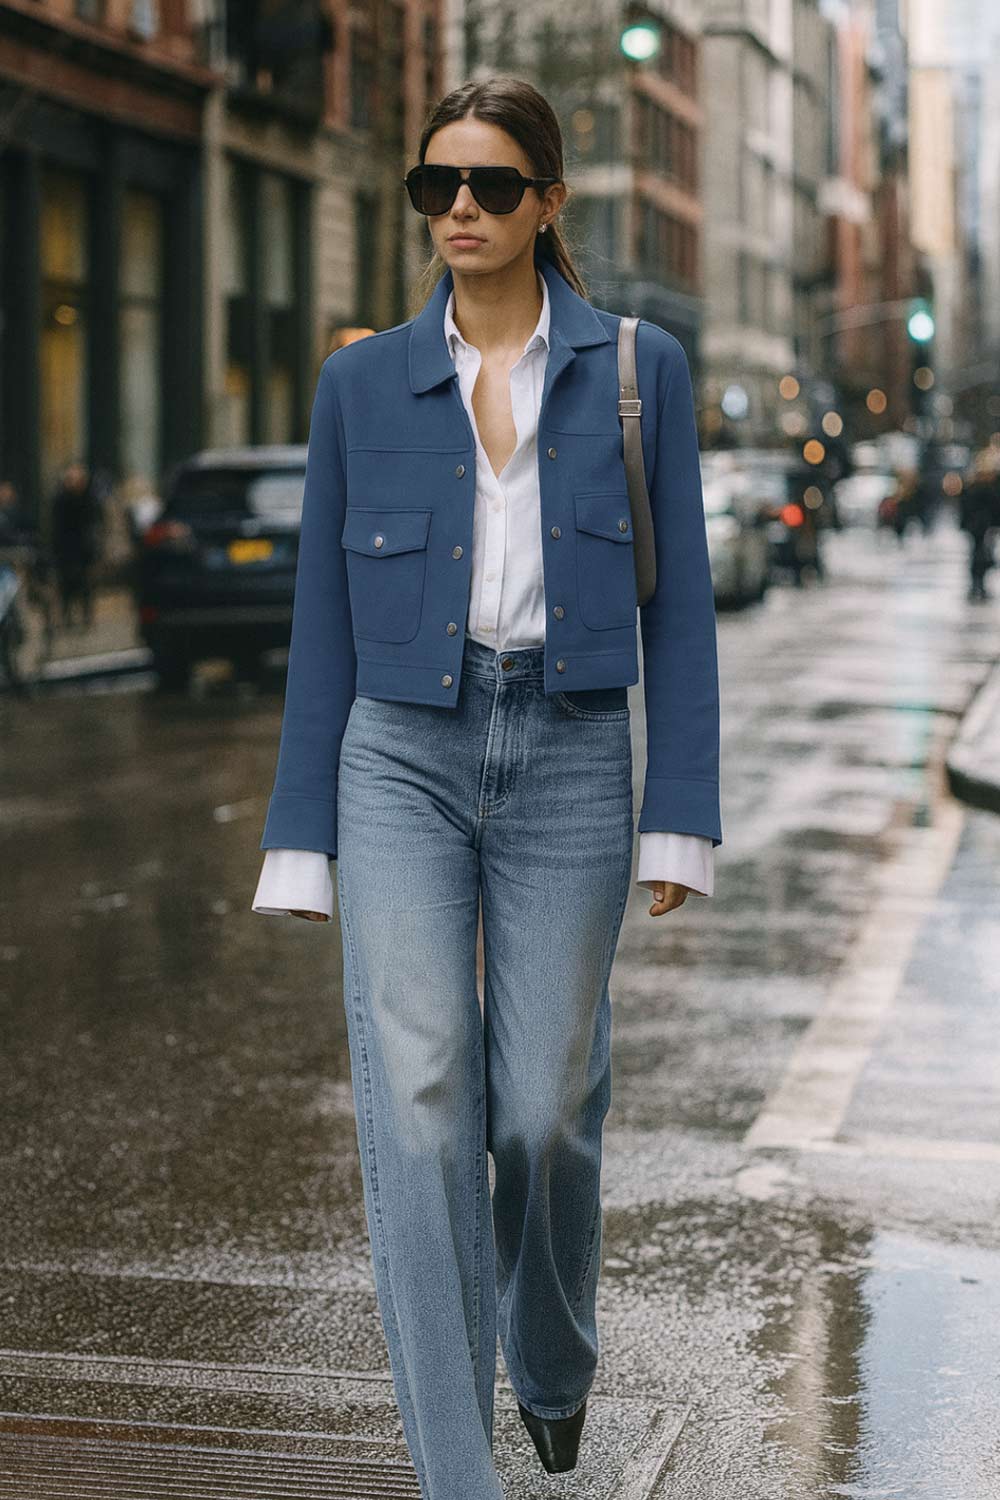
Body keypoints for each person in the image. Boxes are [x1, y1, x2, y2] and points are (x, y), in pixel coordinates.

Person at [251, 76, 722, 1500]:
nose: (459, 208)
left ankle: (553, 1355)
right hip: (400, 755)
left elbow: (684, 611)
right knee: (425, 1100)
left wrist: (679, 813)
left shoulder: (642, 371)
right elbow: (321, 628)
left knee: (545, 1112)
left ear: (547, 202)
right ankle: (460, 1474)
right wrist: (298, 841)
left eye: (491, 185)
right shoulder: (358, 383)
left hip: (574, 750)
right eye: (436, 186)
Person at [49, 461, 104, 628]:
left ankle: (86, 617)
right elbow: (56, 526)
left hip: (85, 548)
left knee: (86, 585)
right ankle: (67, 617)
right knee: (66, 584)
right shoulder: (61, 499)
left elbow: (95, 521)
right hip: (66, 549)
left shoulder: (89, 498)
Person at [959, 447, 1000, 601]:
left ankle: (978, 585)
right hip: (979, 528)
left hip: (982, 527)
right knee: (979, 555)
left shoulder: (981, 487)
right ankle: (977, 585)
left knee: (981, 555)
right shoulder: (978, 488)